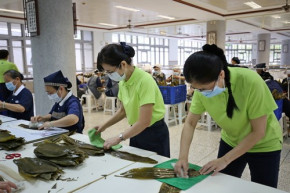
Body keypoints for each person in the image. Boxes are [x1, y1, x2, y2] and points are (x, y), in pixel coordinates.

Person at [174, 44, 282, 188]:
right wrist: (183, 157)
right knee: (222, 186)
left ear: (221, 74)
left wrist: (224, 160)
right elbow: (190, 123)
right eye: (196, 88)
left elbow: (258, 132)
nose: (200, 92)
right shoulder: (201, 90)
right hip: (231, 141)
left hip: (264, 145)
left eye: (204, 89)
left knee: (263, 188)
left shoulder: (250, 81)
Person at [93, 42, 170, 157]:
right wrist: (104, 125)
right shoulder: (123, 82)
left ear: (123, 64)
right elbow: (123, 111)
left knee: (155, 171)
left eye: (110, 72)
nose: (109, 75)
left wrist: (119, 138)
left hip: (154, 133)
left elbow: (145, 121)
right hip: (135, 131)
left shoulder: (145, 80)